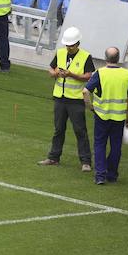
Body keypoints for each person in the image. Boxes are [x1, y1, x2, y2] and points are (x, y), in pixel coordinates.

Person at [38, 27, 94, 171]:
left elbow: (88, 76)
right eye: (67, 45)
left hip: (76, 100)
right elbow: (51, 70)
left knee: (80, 131)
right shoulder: (61, 53)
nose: (68, 47)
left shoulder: (86, 56)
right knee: (59, 129)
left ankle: (86, 161)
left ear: (78, 43)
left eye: (71, 45)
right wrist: (56, 74)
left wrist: (71, 75)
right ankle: (53, 157)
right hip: (60, 98)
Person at [83, 47, 128, 186]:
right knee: (116, 146)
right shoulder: (126, 74)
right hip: (118, 117)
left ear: (105, 58)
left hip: (101, 115)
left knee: (100, 144)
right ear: (118, 59)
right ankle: (112, 175)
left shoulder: (100, 73)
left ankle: (100, 175)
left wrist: (91, 107)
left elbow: (85, 92)